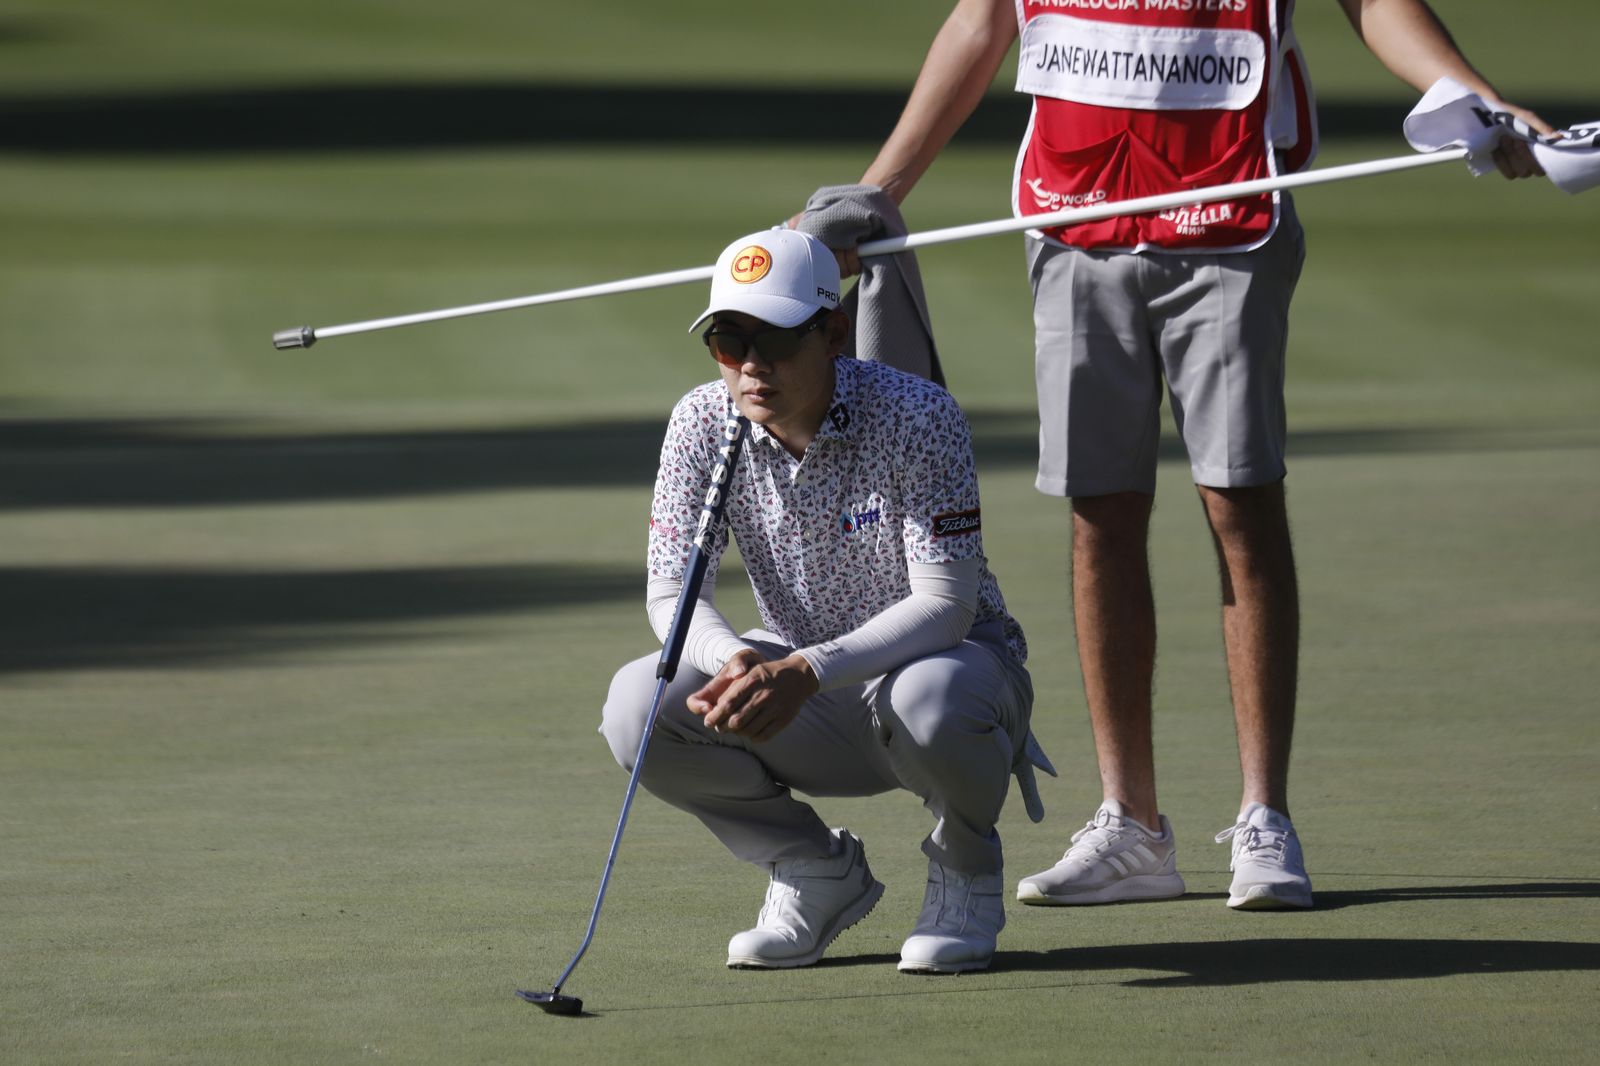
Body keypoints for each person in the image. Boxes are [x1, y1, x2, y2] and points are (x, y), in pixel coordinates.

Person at [807, 0, 1552, 911]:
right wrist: (881, 189)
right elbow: (983, 22)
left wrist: (1480, 99)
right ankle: (1131, 825)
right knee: (1100, 512)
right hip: (1076, 218)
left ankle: (1264, 817)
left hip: (1228, 221)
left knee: (1240, 501)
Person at [600, 227, 1044, 973]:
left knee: (933, 695)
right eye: (728, 340)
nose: (751, 365)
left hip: (946, 674)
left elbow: (948, 604)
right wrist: (733, 658)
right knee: (639, 704)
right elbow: (674, 590)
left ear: (834, 332)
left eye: (774, 338)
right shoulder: (703, 422)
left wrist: (804, 668)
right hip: (805, 689)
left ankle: (966, 871)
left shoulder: (918, 415)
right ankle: (814, 868)